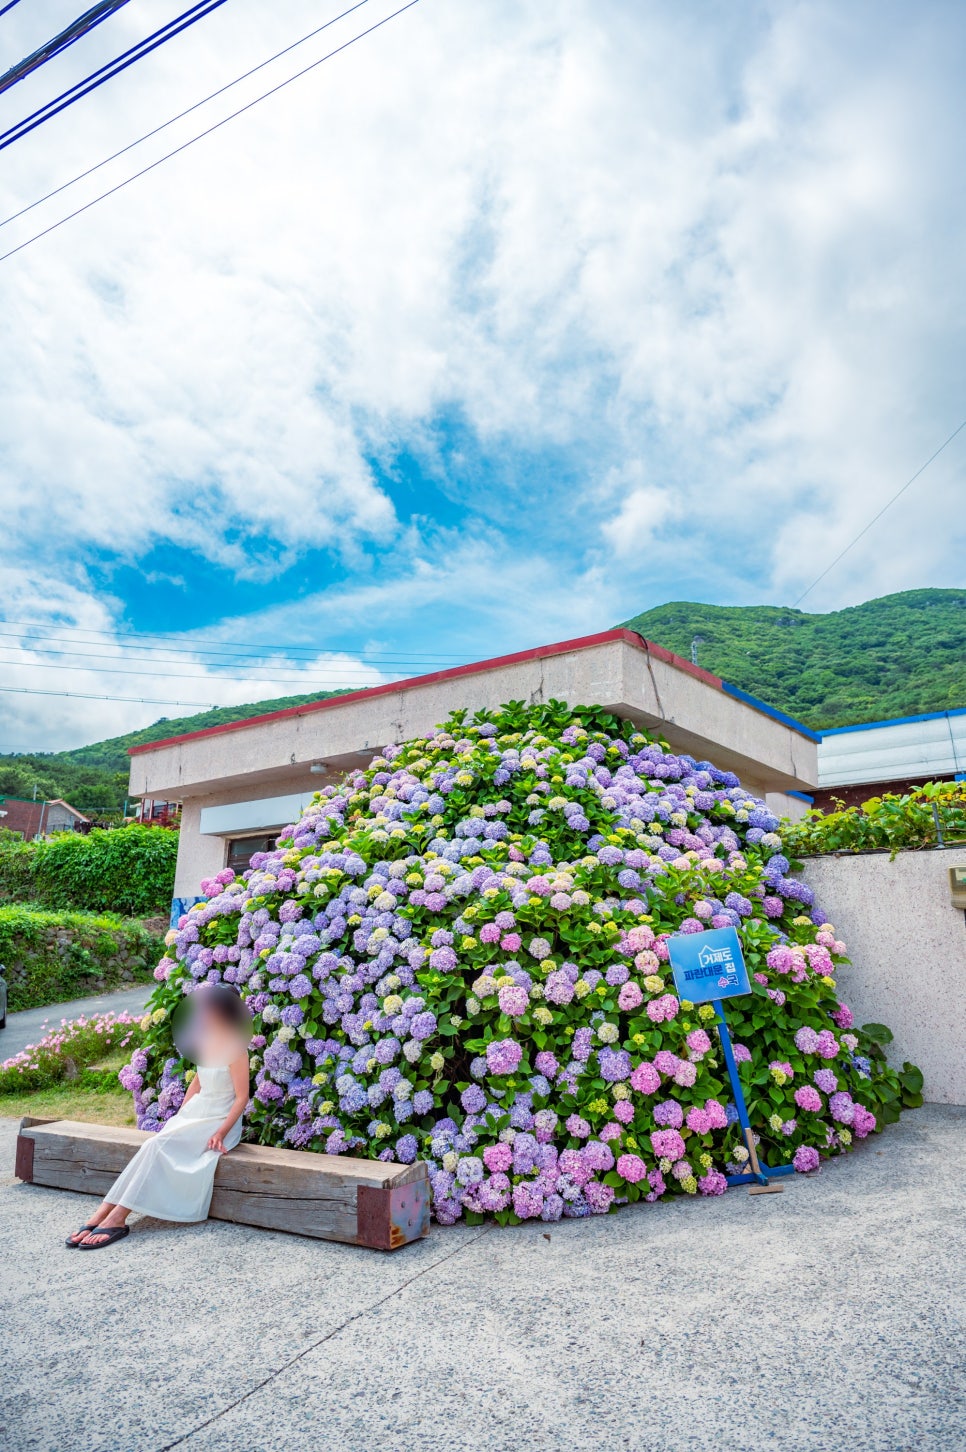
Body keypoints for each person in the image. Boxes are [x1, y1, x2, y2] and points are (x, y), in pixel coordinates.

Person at [65, 984, 251, 1249]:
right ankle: (102, 1213)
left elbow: (242, 1098)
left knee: (156, 1145)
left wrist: (220, 1132)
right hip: (197, 1113)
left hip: (219, 1119)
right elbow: (197, 1085)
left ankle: (118, 1217)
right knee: (151, 1145)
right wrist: (180, 1116)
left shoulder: (237, 1050)